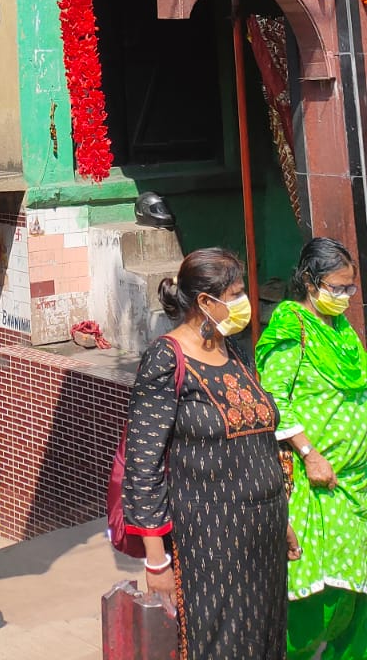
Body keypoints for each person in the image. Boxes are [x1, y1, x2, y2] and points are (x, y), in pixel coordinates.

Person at [122, 246, 293, 659]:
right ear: (205, 301)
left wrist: (282, 517)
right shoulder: (167, 357)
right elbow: (142, 464)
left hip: (264, 539)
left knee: (266, 643)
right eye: (233, 294)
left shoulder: (232, 350)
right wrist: (156, 560)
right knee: (221, 646)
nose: (242, 303)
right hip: (212, 545)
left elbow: (262, 438)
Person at [257, 237, 367, 660]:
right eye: (336, 288)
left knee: (355, 605)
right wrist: (310, 453)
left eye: (349, 289)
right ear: (309, 281)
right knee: (318, 606)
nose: (343, 297)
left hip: (356, 484)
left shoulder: (340, 330)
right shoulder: (292, 326)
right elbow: (272, 401)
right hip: (317, 484)